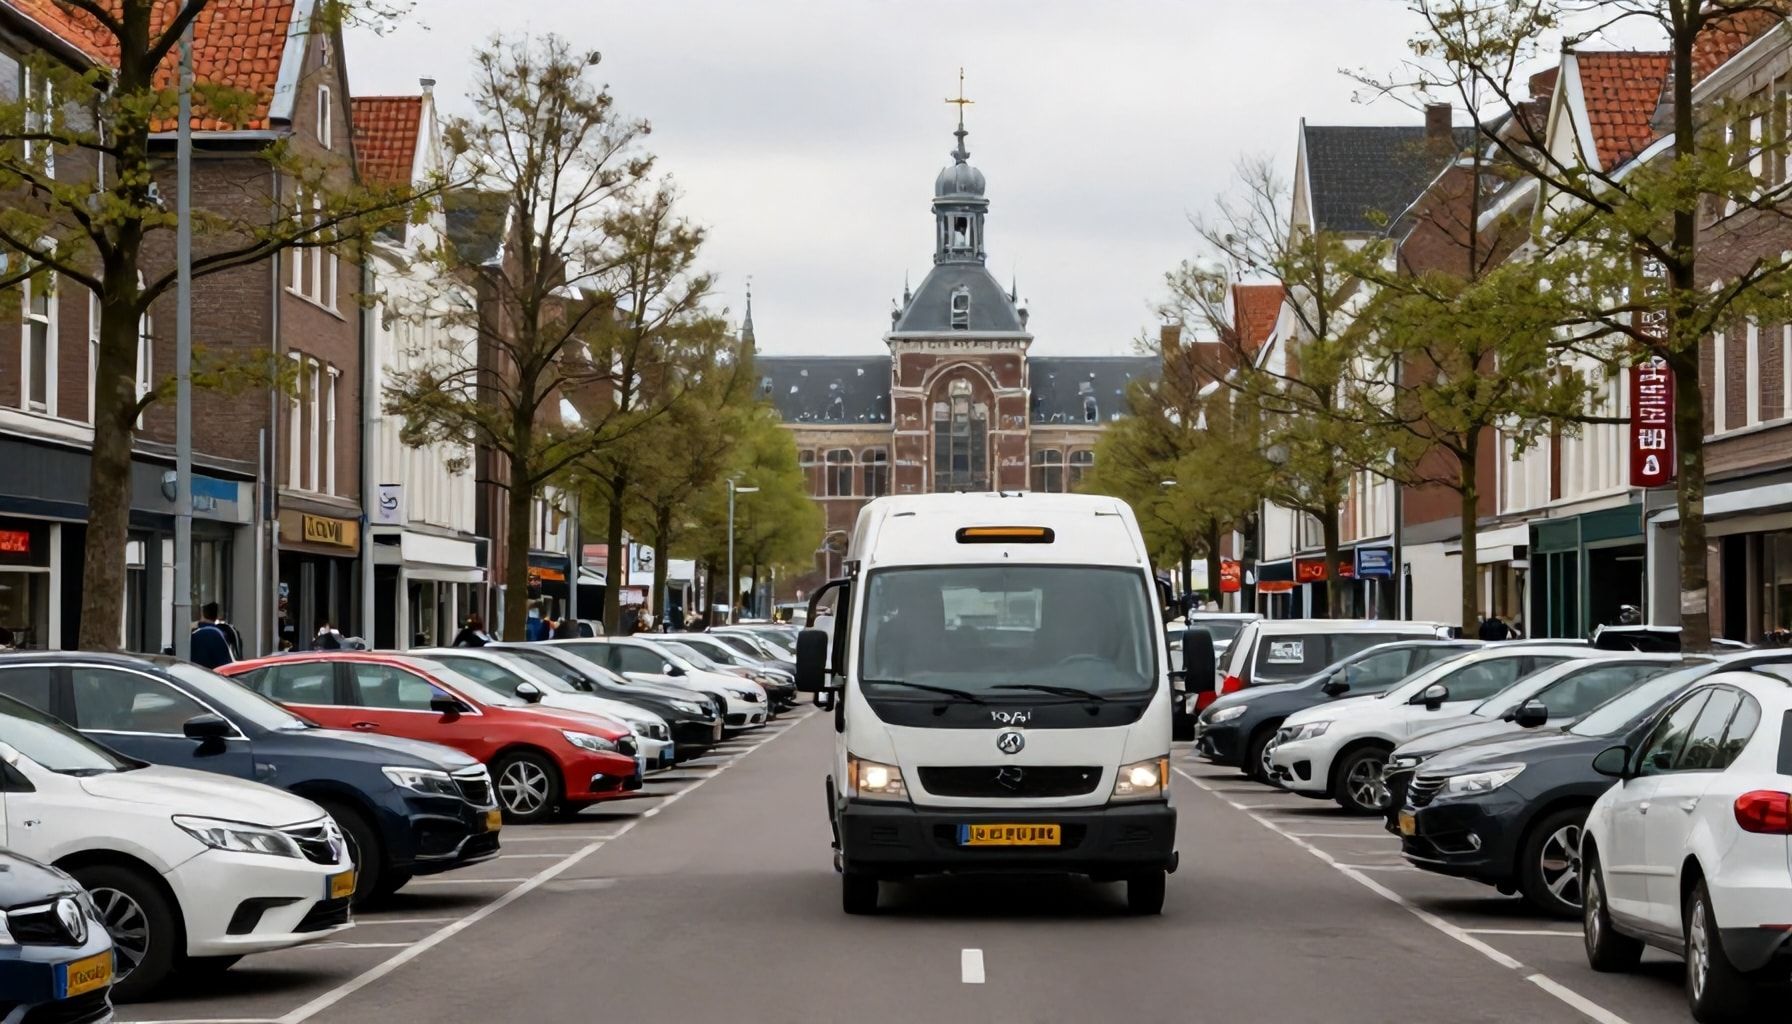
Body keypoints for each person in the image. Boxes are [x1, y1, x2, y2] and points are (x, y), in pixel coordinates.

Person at [190, 605, 237, 669]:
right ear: (217, 616)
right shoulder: (220, 632)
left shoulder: (194, 633)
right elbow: (227, 664)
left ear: (201, 614)